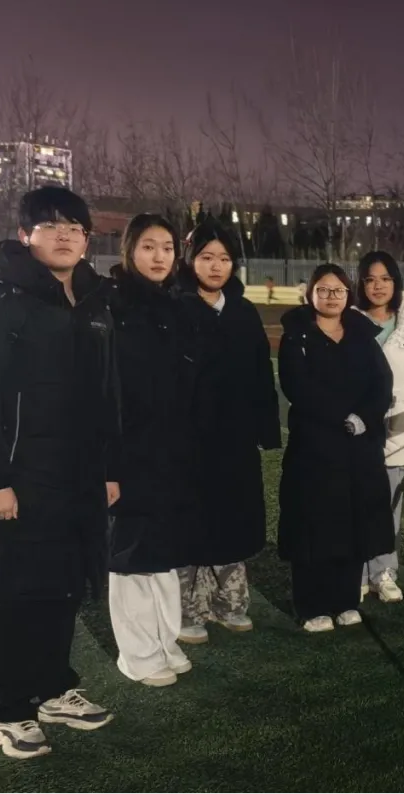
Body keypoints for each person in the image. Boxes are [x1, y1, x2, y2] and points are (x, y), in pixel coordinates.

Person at [0, 186, 117, 759]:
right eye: (50, 225)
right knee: (10, 596)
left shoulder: (93, 306)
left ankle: (52, 690)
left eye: (75, 227)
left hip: (76, 477)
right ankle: (9, 711)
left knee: (62, 587)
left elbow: (107, 397)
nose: (65, 234)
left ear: (86, 239)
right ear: (25, 235)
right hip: (16, 478)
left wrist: (108, 468)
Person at [176, 218, 282, 645]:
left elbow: (261, 374)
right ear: (191, 260)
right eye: (206, 257)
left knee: (233, 517)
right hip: (189, 439)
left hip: (235, 438)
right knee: (191, 522)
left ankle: (230, 603)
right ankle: (189, 609)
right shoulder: (175, 307)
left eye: (224, 258)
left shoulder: (242, 311)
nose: (216, 266)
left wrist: (266, 429)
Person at [278, 264, 394, 632]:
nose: (331, 296)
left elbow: (382, 383)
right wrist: (341, 417)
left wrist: (364, 417)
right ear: (310, 293)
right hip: (314, 448)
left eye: (339, 290)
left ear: (348, 294)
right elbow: (298, 387)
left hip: (358, 447)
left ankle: (345, 600)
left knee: (352, 523)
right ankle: (311, 606)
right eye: (324, 290)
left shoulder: (362, 334)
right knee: (313, 525)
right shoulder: (297, 335)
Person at [106, 214, 196, 687]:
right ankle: (138, 655)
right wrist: (110, 462)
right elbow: (108, 391)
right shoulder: (113, 304)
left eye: (167, 247)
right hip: (129, 451)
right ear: (129, 250)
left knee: (163, 552)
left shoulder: (174, 304)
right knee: (132, 556)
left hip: (169, 452)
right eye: (148, 246)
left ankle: (165, 641)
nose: (159, 256)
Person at [355, 251, 404, 603]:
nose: (378, 286)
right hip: (354, 434)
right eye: (370, 279)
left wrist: (401, 426)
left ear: (396, 283)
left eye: (385, 279)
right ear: (360, 284)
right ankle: (357, 571)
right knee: (354, 506)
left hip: (395, 435)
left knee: (389, 509)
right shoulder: (347, 322)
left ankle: (384, 573)